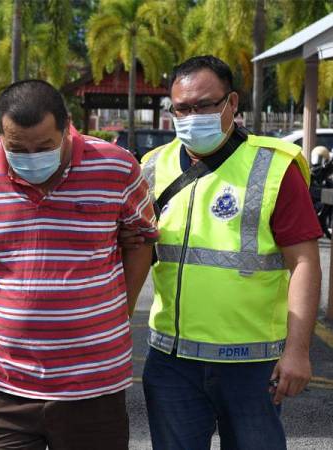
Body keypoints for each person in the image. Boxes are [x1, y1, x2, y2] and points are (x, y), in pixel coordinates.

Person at [0, 79, 158, 450]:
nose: (31, 156)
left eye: (44, 146)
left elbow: (140, 240)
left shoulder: (117, 167)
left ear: (66, 129)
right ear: (0, 135)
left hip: (94, 384)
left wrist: (120, 312)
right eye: (17, 148)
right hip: (1, 385)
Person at [140, 55, 322, 450]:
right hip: (172, 361)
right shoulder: (152, 166)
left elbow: (305, 262)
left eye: (204, 105)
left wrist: (298, 351)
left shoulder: (272, 166)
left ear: (232, 103)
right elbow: (135, 256)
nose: (191, 116)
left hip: (252, 364)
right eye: (182, 108)